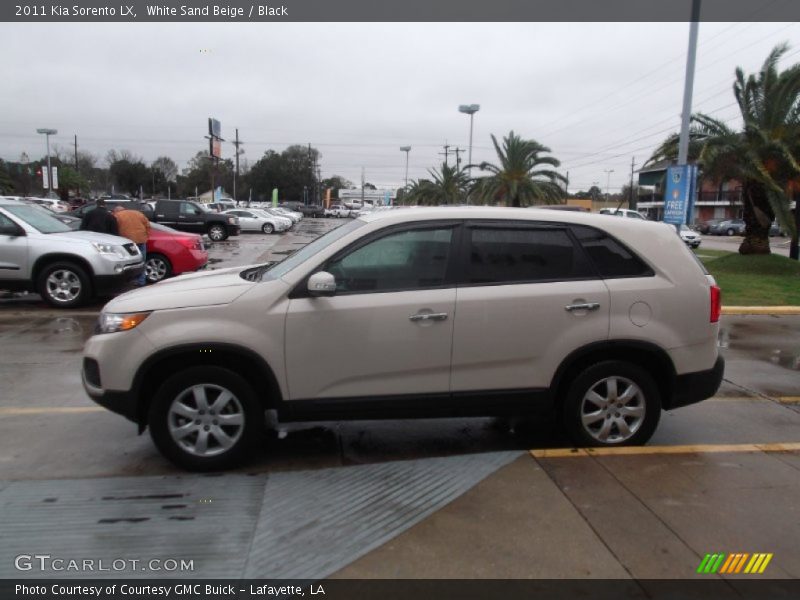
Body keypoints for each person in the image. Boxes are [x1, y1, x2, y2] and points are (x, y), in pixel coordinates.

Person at [113, 205, 151, 286]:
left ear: (116, 211)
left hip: (128, 242)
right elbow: (148, 225)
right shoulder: (138, 213)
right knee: (142, 261)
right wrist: (146, 236)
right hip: (141, 240)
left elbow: (114, 229)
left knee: (130, 263)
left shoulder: (117, 216)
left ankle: (130, 281)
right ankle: (141, 281)